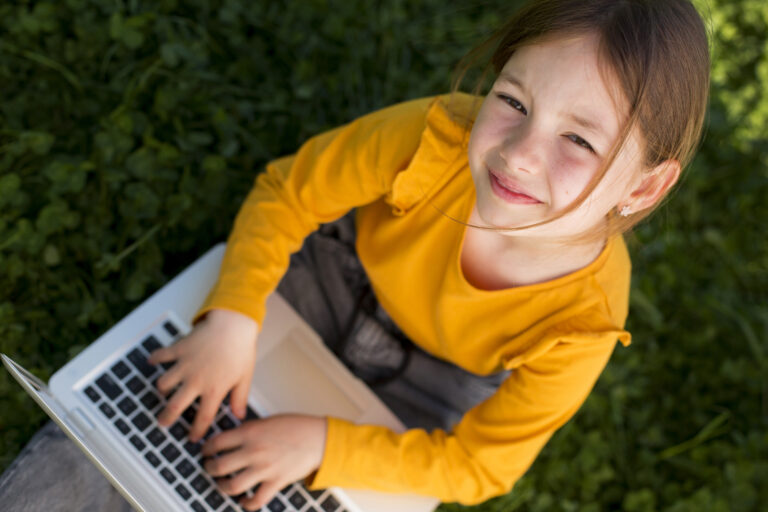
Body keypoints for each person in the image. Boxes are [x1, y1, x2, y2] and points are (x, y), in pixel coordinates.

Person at [0, 0, 710, 509]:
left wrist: (322, 445)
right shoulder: (433, 138)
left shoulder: (582, 324)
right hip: (336, 279)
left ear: (645, 186)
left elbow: (479, 467)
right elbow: (290, 193)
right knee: (162, 409)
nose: (518, 156)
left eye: (579, 141)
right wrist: (234, 318)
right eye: (513, 101)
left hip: (438, 388)